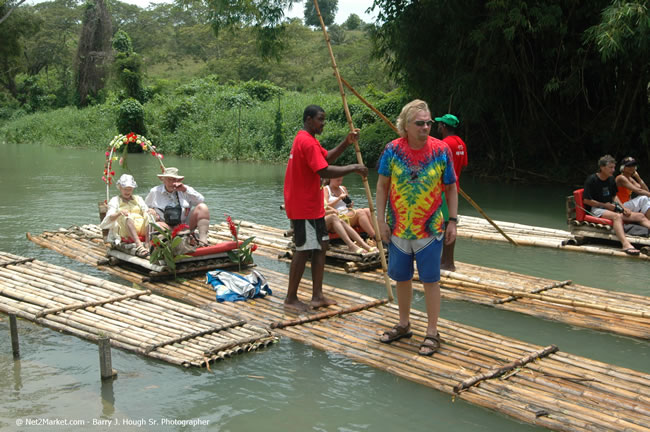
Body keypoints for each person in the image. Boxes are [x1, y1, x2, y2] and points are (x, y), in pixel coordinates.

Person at [376, 99, 458, 356]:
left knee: (431, 280)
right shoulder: (392, 150)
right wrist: (380, 221)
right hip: (399, 228)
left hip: (431, 229)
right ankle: (404, 324)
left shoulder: (441, 151)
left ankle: (432, 331)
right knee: (401, 278)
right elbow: (382, 187)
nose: (425, 127)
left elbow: (452, 187)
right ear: (406, 126)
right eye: (420, 123)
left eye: (428, 123)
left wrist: (452, 220)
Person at [283, 104, 368, 312]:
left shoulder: (310, 140)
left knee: (321, 246)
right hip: (303, 206)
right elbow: (324, 169)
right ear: (309, 119)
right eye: (320, 119)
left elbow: (326, 157)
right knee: (303, 250)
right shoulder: (306, 141)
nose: (323, 123)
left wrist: (346, 143)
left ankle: (317, 295)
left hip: (312, 206)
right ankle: (291, 298)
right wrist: (354, 168)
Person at [583, 155, 650, 255]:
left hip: (611, 207)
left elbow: (614, 196)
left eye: (614, 167)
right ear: (602, 167)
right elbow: (587, 201)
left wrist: (623, 208)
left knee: (640, 216)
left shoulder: (610, 179)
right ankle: (625, 244)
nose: (613, 170)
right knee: (616, 216)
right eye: (610, 167)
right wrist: (605, 205)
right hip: (597, 209)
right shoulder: (592, 180)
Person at [145, 167, 210, 245]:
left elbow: (201, 200)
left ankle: (203, 240)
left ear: (178, 180)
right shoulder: (154, 191)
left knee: (203, 207)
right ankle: (174, 240)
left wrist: (185, 190)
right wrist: (151, 210)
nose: (172, 182)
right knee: (154, 224)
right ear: (163, 180)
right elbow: (145, 207)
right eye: (169, 179)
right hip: (165, 226)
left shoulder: (185, 189)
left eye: (174, 180)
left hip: (184, 226)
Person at [435, 113, 467, 271]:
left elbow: (437, 168)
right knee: (448, 223)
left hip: (444, 189)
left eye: (440, 124)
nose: (438, 126)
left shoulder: (445, 144)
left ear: (444, 127)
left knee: (445, 224)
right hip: (454, 187)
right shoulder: (460, 143)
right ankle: (444, 260)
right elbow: (463, 164)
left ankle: (448, 263)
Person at [100, 174, 150, 257]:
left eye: (130, 189)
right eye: (125, 189)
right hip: (126, 229)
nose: (127, 192)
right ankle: (139, 245)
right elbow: (110, 217)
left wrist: (150, 211)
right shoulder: (115, 200)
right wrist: (120, 213)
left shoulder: (138, 199)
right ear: (120, 188)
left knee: (149, 216)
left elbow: (145, 210)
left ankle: (148, 244)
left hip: (141, 227)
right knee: (127, 217)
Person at [323, 177, 376, 241]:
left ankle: (377, 233)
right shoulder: (326, 189)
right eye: (338, 180)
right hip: (336, 216)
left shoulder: (343, 188)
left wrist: (350, 205)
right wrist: (339, 198)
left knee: (368, 210)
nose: (340, 182)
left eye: (341, 180)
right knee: (360, 212)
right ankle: (374, 236)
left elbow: (348, 206)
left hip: (346, 213)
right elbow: (325, 206)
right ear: (331, 178)